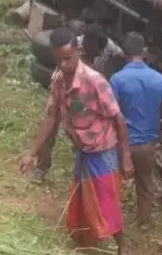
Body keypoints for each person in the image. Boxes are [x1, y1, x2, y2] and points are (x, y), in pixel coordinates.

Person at [18, 27, 134, 255]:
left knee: (106, 201)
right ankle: (84, 236)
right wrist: (31, 153)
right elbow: (50, 117)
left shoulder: (95, 81)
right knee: (81, 196)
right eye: (58, 60)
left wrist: (125, 156)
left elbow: (118, 118)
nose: (63, 65)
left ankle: (123, 248)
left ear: (78, 52)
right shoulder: (58, 80)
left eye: (68, 58)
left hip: (102, 149)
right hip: (81, 148)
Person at [31, 24, 125, 184]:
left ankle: (83, 163)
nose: (92, 53)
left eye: (96, 50)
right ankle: (41, 167)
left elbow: (122, 59)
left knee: (84, 127)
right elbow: (62, 69)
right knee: (50, 127)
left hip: (89, 95)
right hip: (65, 90)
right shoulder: (71, 45)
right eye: (89, 48)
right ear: (83, 46)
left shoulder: (111, 48)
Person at [109, 32, 162, 227]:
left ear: (124, 53)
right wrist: (160, 125)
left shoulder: (117, 79)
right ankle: (144, 222)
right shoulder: (160, 79)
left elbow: (111, 113)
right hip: (147, 144)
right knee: (145, 184)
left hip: (122, 144)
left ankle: (111, 220)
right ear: (145, 51)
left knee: (114, 181)